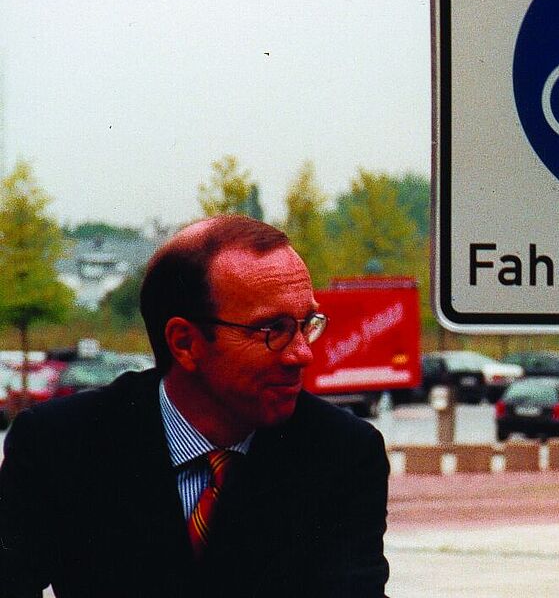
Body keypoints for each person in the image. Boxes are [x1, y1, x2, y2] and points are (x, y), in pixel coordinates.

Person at [0, 215, 389, 597]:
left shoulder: (343, 454)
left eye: (307, 324)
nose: (302, 355)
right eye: (274, 331)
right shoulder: (59, 445)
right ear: (185, 343)